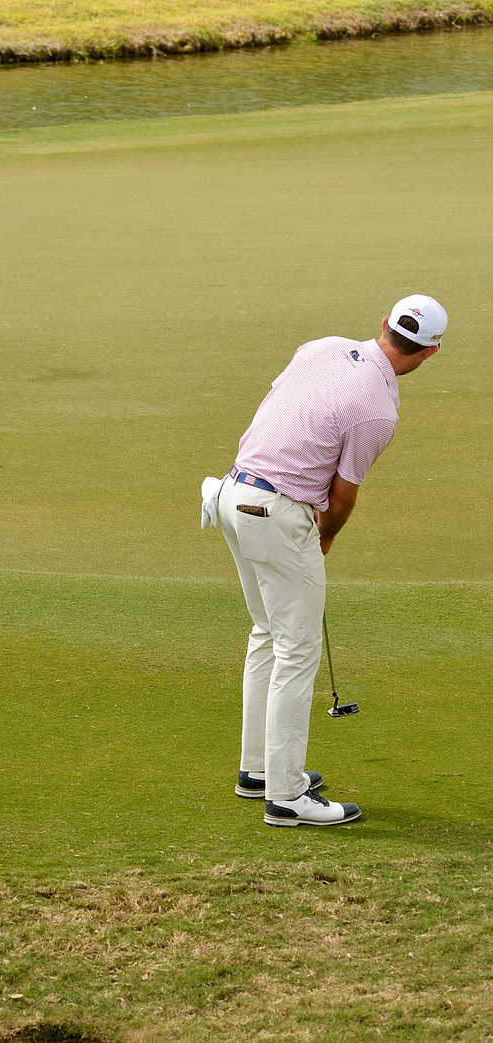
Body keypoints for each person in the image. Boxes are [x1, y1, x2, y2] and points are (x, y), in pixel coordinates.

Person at [200, 295, 448, 828]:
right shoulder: (379, 410)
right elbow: (341, 498)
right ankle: (287, 796)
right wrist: (326, 540)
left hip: (230, 495)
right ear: (431, 353)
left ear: (384, 324)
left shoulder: (323, 347)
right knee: (297, 648)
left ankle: (259, 771)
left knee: (268, 632)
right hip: (276, 513)